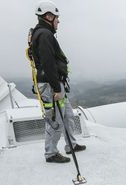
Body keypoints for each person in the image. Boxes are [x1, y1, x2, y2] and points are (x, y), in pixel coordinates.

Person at [32, 0, 86, 163]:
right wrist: (56, 88)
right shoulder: (45, 35)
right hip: (51, 85)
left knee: (68, 115)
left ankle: (71, 145)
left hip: (54, 84)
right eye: (56, 17)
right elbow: (48, 63)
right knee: (56, 119)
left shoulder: (42, 33)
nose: (58, 21)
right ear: (48, 16)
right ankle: (50, 153)